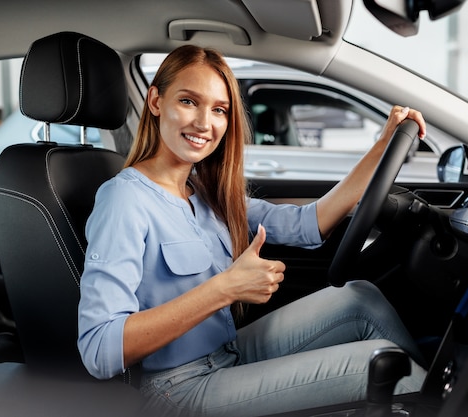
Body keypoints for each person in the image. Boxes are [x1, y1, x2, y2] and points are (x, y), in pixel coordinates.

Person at [77, 45, 428, 417]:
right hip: (176, 389)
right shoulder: (124, 198)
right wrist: (225, 288)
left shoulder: (207, 192)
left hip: (227, 352)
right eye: (188, 101)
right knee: (379, 367)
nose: (203, 123)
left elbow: (308, 224)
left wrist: (382, 146)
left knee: (361, 299)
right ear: (155, 101)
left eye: (218, 110)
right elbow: (100, 351)